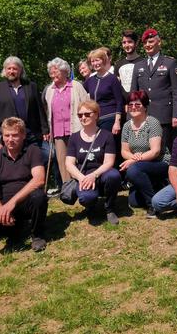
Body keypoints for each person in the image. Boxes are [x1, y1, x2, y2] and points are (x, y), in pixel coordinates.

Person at [0, 117, 48, 252]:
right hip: (4, 201)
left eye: (15, 135)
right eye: (7, 135)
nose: (10, 139)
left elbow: (39, 179)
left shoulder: (33, 151)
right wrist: (0, 210)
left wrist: (12, 202)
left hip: (26, 200)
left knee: (39, 197)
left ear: (23, 135)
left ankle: (37, 235)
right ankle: (13, 232)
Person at [65, 100, 122, 225]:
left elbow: (109, 162)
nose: (83, 118)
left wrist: (94, 175)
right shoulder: (74, 137)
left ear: (96, 115)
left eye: (87, 114)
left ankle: (110, 208)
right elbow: (69, 163)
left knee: (114, 175)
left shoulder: (106, 135)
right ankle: (91, 208)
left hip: (102, 174)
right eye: (80, 115)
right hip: (83, 176)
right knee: (86, 198)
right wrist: (81, 178)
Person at [132, 28, 177, 151]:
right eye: (145, 43)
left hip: (164, 117)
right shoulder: (138, 66)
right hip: (143, 116)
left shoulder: (170, 63)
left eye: (151, 42)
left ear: (159, 42)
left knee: (165, 150)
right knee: (144, 150)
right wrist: (132, 116)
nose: (147, 45)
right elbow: (133, 94)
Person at [119, 91, 170, 216]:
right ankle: (158, 186)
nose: (133, 108)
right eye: (130, 105)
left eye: (137, 105)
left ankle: (152, 204)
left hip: (159, 162)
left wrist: (134, 160)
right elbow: (124, 151)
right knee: (134, 202)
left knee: (133, 170)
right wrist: (134, 158)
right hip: (140, 165)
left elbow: (155, 151)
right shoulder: (126, 126)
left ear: (145, 106)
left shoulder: (152, 123)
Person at [0, 56, 49, 153]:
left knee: (48, 155)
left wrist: (45, 130)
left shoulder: (31, 86)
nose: (11, 71)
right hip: (10, 136)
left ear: (20, 70)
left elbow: (39, 110)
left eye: (15, 68)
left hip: (31, 134)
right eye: (9, 68)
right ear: (5, 70)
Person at [43, 57, 89, 186]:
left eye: (55, 71)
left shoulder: (76, 86)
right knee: (62, 160)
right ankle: (68, 187)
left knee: (79, 158)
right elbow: (48, 111)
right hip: (57, 131)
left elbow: (87, 105)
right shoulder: (49, 90)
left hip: (76, 128)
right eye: (51, 72)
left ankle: (83, 183)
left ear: (64, 71)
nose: (53, 75)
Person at [83, 48, 124, 135]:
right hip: (95, 120)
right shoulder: (90, 80)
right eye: (92, 61)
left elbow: (120, 102)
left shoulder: (112, 79)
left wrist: (117, 122)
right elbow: (79, 91)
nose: (95, 63)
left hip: (110, 118)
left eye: (97, 60)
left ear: (104, 60)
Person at [114, 29, 142, 98]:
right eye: (124, 42)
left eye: (130, 42)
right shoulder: (118, 64)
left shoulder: (144, 62)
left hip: (139, 104)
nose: (126, 45)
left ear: (136, 43)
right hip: (123, 105)